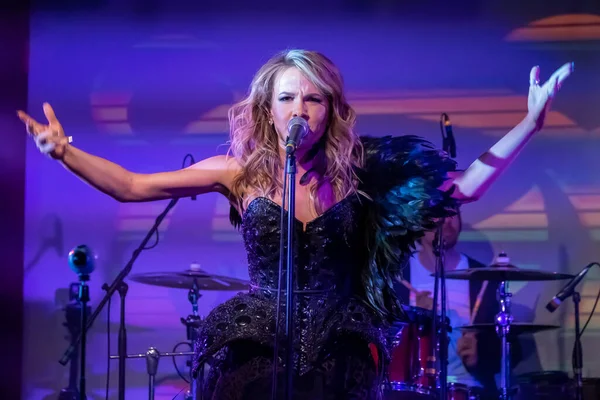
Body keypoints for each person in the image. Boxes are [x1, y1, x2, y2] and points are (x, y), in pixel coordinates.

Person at [18, 49, 573, 399]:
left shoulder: (362, 173)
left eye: (313, 98)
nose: (300, 109)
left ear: (331, 107)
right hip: (256, 348)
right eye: (287, 97)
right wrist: (64, 151)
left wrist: (530, 120)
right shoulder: (236, 172)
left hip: (340, 350)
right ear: (269, 108)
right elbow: (133, 186)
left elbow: (466, 186)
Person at [394, 208, 523, 399]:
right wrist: (416, 319)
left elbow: (513, 350)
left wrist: (479, 356)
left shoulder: (482, 278)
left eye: (453, 213)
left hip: (469, 390)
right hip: (412, 391)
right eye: (438, 213)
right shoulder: (397, 275)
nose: (446, 221)